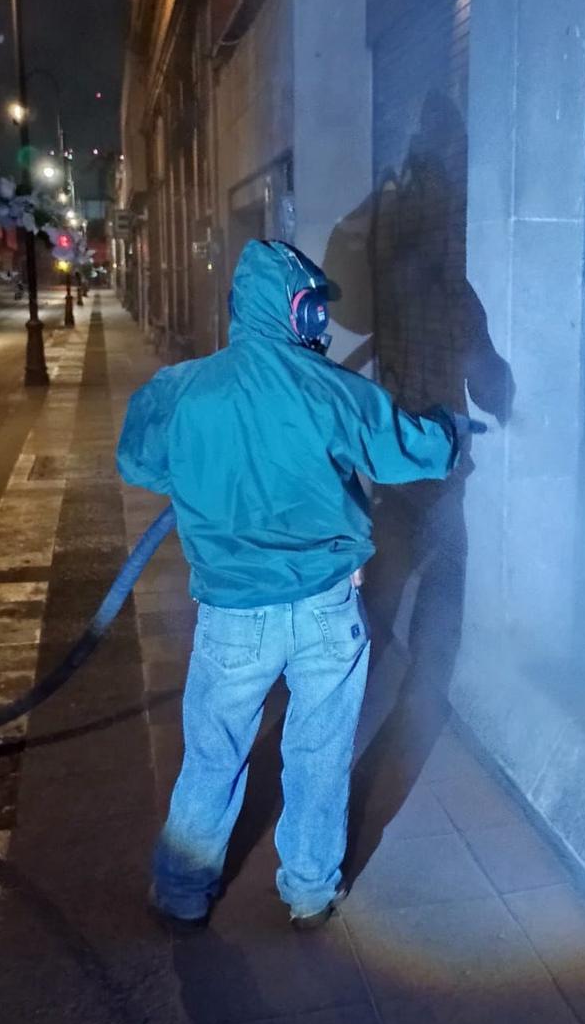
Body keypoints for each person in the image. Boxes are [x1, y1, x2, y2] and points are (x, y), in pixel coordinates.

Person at [117, 239, 476, 932]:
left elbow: (138, 457)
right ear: (294, 307)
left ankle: (185, 890)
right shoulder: (330, 390)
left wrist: (198, 483)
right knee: (319, 752)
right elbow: (407, 446)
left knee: (213, 754)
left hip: (232, 617)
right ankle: (309, 889)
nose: (323, 327)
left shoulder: (185, 389)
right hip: (324, 610)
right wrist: (451, 433)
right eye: (315, 309)